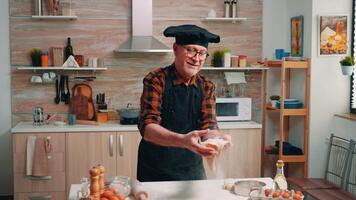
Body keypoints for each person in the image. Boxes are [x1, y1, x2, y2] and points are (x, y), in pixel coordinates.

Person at [137, 24, 231, 182]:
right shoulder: (156, 80)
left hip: (192, 170)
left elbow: (208, 126)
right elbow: (148, 128)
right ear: (175, 49)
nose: (196, 58)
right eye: (190, 50)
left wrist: (218, 138)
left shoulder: (207, 86)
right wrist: (183, 141)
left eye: (202, 53)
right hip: (155, 170)